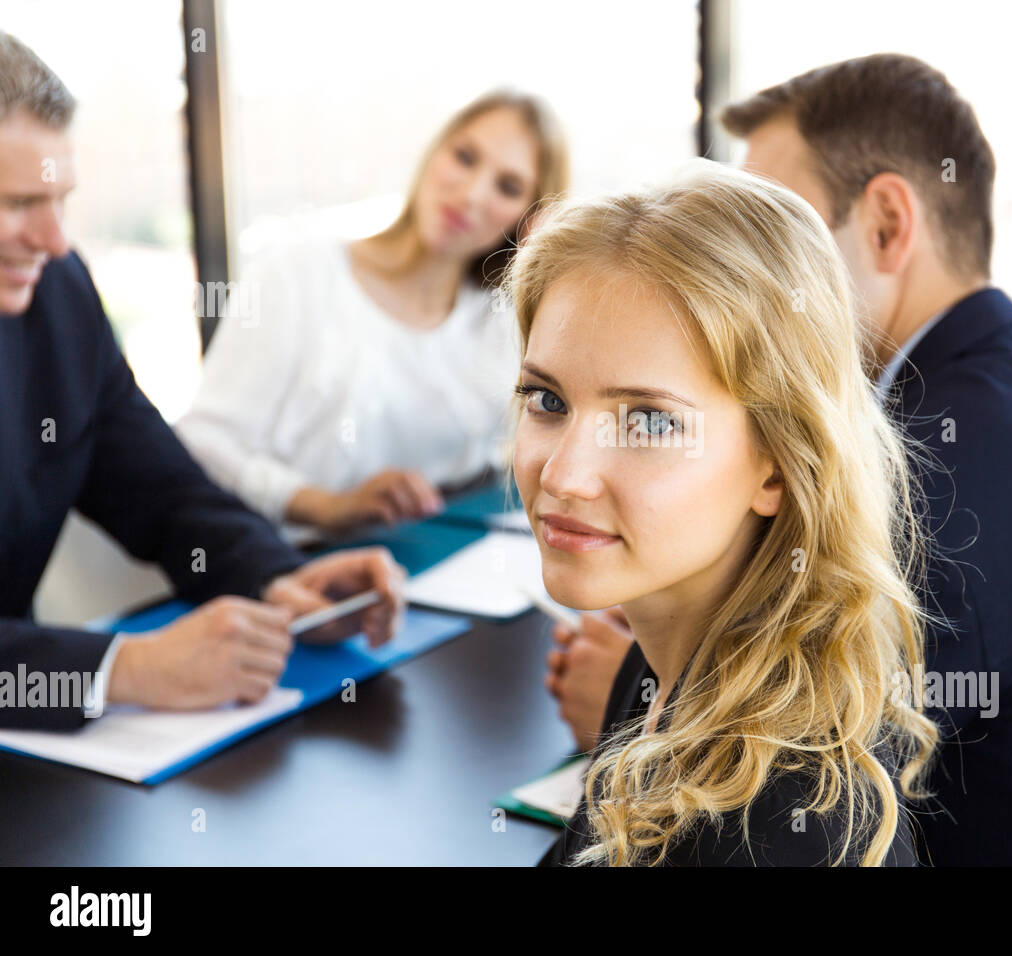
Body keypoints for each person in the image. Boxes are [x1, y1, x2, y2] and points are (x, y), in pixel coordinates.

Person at [547, 53, 1012, 864]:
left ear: (886, 226)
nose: (736, 262)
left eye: (774, 223)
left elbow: (787, 761)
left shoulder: (919, 464)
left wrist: (640, 701)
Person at [513, 164, 938, 866]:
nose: (562, 475)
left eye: (648, 422)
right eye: (547, 400)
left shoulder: (780, 827)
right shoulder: (666, 668)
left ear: (777, 463)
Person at [0, 32, 405, 731]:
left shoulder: (58, 293)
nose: (54, 238)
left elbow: (157, 485)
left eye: (61, 199)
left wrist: (274, 577)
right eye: (17, 203)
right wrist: (127, 668)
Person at [176, 91, 569, 537]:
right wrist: (325, 506)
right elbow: (202, 441)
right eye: (464, 157)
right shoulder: (298, 274)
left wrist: (541, 267)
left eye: (508, 187)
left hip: (437, 554)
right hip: (291, 557)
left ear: (529, 215)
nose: (472, 194)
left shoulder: (500, 319)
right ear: (434, 153)